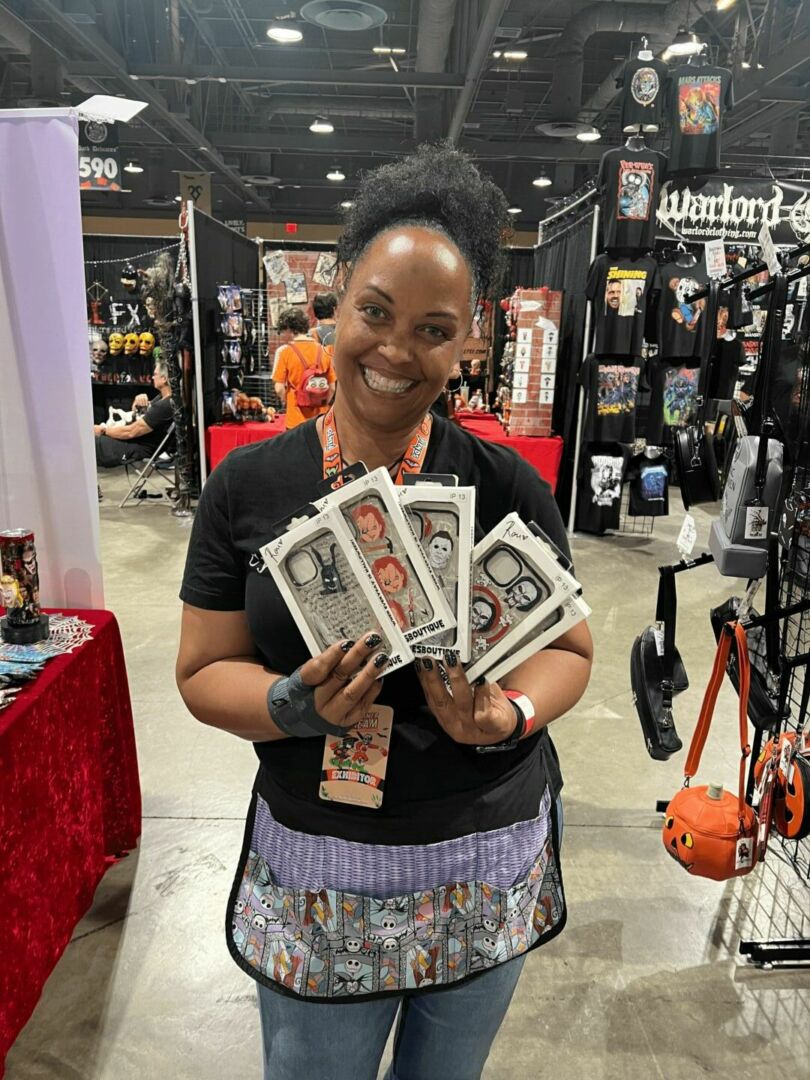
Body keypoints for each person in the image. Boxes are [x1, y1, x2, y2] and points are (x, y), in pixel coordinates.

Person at [176, 144, 592, 1080]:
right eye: (375, 313)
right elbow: (202, 670)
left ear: (469, 341)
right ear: (336, 299)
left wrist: (509, 714)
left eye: (433, 329)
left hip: (483, 857)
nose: (397, 351)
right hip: (322, 869)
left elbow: (569, 647)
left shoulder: (504, 485)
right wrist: (290, 704)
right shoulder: (246, 486)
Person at [93, 359, 174, 468]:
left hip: (141, 448)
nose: (152, 377)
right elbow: (137, 418)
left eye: (155, 374)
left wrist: (104, 430)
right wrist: (136, 404)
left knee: (92, 443)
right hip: (135, 441)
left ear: (164, 379)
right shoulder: (160, 398)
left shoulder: (164, 405)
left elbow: (131, 431)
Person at [272, 307, 336, 429]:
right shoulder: (324, 350)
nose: (283, 335)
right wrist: (323, 402)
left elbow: (279, 388)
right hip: (320, 420)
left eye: (283, 331)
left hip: (295, 419)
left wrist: (288, 401)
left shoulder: (285, 352)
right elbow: (332, 387)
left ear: (289, 329)